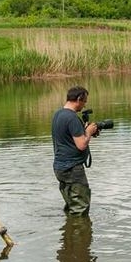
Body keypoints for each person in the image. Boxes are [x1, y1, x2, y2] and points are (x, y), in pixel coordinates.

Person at [52, 86, 99, 216]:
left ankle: (69, 233)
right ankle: (80, 233)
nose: (84, 106)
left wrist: (84, 132)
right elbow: (81, 145)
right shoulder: (71, 118)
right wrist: (88, 132)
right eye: (84, 102)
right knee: (80, 208)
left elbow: (67, 138)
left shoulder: (58, 114)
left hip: (60, 167)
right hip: (72, 169)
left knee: (71, 206)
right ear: (79, 99)